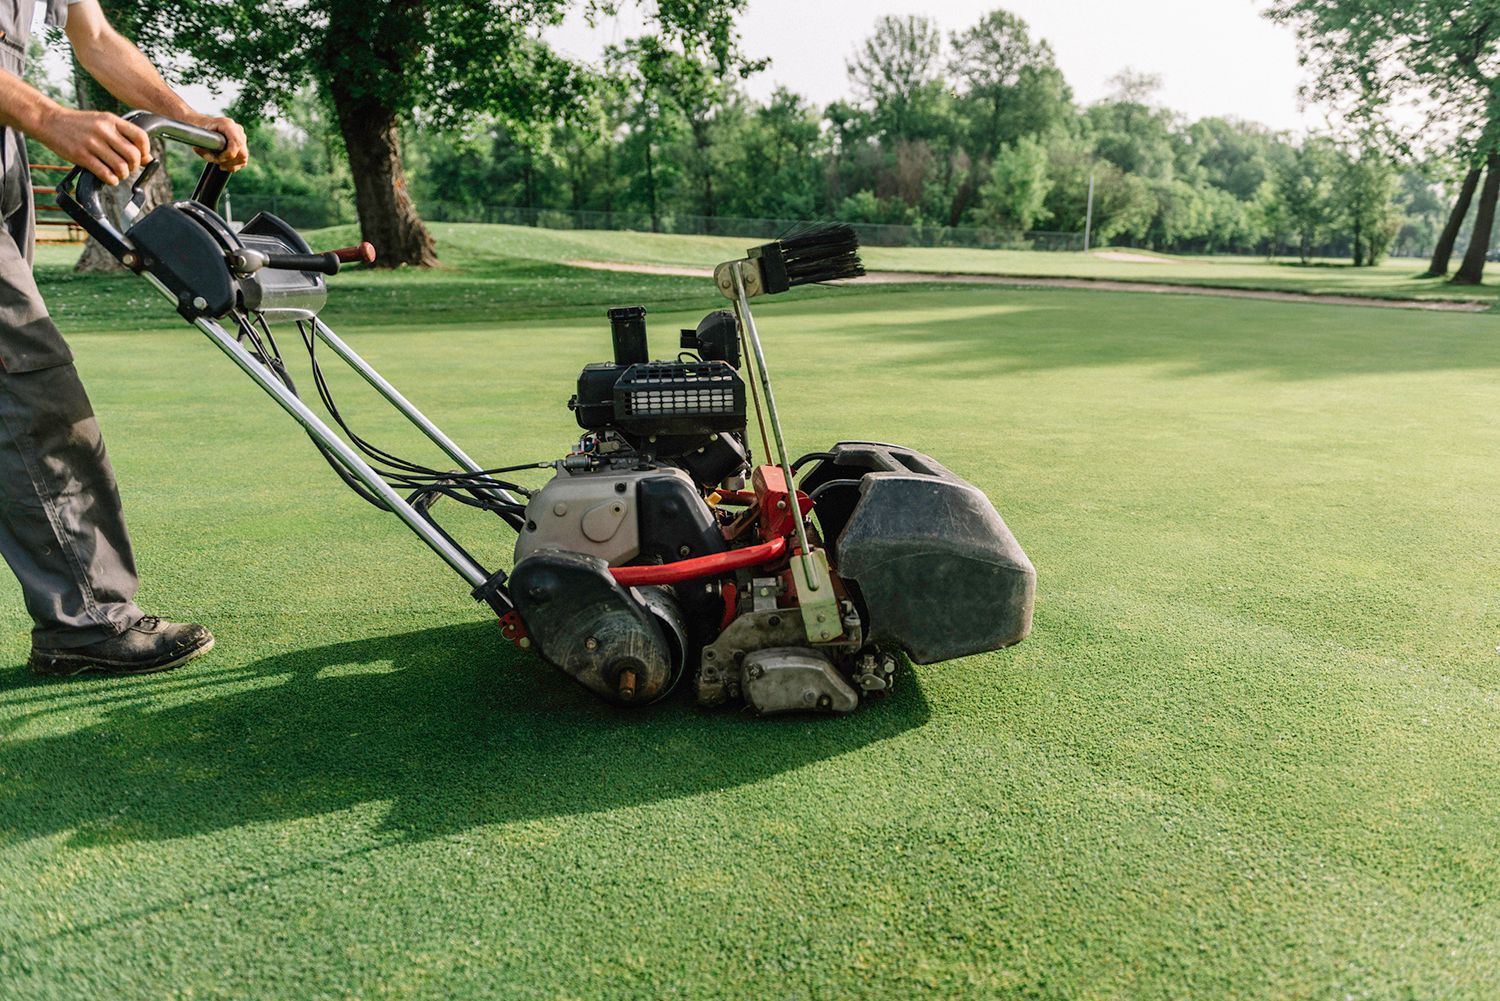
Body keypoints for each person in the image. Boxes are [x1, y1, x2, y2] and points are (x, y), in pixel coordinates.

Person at [0, 0, 247, 677]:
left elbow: (96, 35)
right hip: (18, 118)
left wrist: (186, 116)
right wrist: (48, 116)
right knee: (30, 385)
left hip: (6, 149)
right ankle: (88, 621)